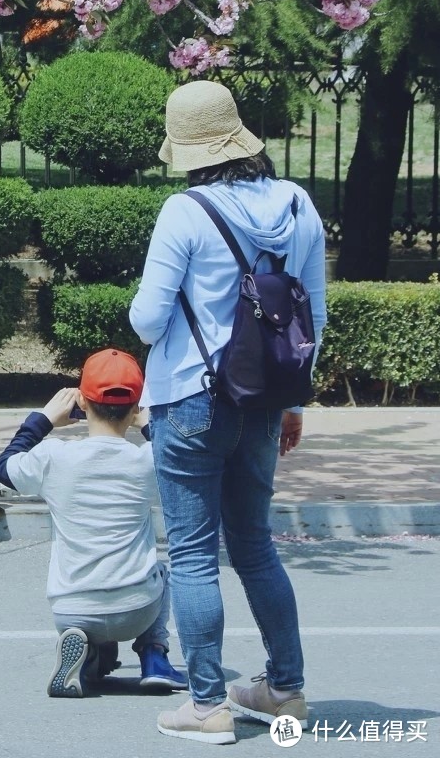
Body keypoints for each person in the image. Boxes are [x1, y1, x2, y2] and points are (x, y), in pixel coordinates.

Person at [129, 80, 327, 745]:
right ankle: (284, 688)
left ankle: (208, 703)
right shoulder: (297, 203)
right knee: (254, 544)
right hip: (265, 399)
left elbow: (149, 319)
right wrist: (292, 400)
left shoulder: (184, 211)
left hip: (190, 397)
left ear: (188, 149)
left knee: (190, 553)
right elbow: (312, 317)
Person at [0, 347, 189, 698]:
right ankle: (154, 656)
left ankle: (84, 654)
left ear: (81, 403)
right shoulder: (147, 460)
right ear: (135, 408)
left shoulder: (55, 457)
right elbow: (181, 465)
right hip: (137, 610)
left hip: (72, 609)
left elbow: (4, 468)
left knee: (84, 613)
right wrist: (151, 426)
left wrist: (43, 419)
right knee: (162, 570)